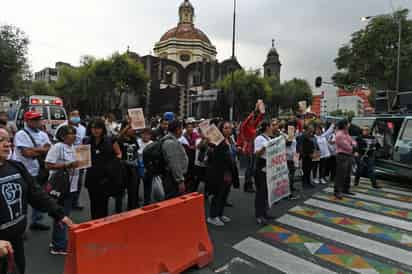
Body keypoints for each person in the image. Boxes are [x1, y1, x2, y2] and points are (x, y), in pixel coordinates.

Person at [0, 128, 73, 274]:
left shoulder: (16, 167)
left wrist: (59, 214)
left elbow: (36, 194)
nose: (7, 144)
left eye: (8, 140)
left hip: (16, 242)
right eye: (1, 141)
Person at [13, 111, 51, 231]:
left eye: (38, 119)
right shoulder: (21, 134)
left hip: (39, 171)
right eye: (34, 119)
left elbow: (49, 149)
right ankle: (20, 228)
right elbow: (27, 153)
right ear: (27, 121)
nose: (37, 121)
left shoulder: (43, 134)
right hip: (23, 172)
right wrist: (41, 149)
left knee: (38, 198)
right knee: (22, 200)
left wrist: (35, 150)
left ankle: (36, 222)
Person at [45, 125, 80, 255]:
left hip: (71, 187)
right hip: (61, 187)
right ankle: (58, 246)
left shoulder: (73, 148)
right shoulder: (58, 147)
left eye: (74, 133)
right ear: (63, 135)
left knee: (64, 214)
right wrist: (67, 165)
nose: (73, 136)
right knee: (61, 215)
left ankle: (57, 240)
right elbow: (48, 165)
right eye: (70, 133)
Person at [84, 119, 122, 219]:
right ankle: (94, 224)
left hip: (106, 177)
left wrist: (112, 165)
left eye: (98, 128)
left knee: (103, 204)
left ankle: (102, 225)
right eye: (93, 128)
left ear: (102, 129)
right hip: (91, 177)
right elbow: (82, 158)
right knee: (93, 203)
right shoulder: (86, 141)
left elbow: (119, 154)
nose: (95, 130)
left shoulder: (110, 140)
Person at [207, 121, 239, 226]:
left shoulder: (231, 139)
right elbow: (214, 153)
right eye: (225, 128)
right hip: (220, 171)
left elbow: (232, 153)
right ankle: (212, 216)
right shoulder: (217, 141)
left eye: (230, 128)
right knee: (218, 194)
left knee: (225, 194)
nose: (228, 130)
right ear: (221, 129)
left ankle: (220, 214)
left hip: (229, 171)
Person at [55, 110, 87, 211]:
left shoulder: (82, 128)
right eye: (73, 115)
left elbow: (85, 142)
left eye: (77, 115)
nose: (75, 117)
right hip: (66, 156)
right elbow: (57, 141)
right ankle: (62, 202)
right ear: (69, 116)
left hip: (80, 154)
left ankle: (74, 201)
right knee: (66, 181)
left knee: (78, 181)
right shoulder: (62, 127)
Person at [236, 103, 264, 193]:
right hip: (247, 149)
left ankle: (250, 184)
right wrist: (254, 111)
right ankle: (248, 185)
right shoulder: (244, 126)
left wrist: (261, 112)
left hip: (252, 148)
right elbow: (248, 120)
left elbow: (259, 118)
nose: (253, 120)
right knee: (249, 167)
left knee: (252, 167)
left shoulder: (252, 126)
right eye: (251, 119)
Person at [254, 121, 277, 225]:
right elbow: (257, 153)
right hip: (261, 167)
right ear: (267, 127)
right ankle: (259, 215)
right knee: (261, 192)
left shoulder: (269, 138)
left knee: (267, 192)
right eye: (272, 126)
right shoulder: (259, 139)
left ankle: (264, 212)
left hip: (269, 167)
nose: (273, 128)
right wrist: (265, 147)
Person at [161, 120, 188, 199]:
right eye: (181, 129)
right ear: (177, 129)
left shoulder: (172, 140)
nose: (182, 131)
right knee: (172, 201)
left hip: (173, 177)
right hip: (172, 178)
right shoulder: (170, 143)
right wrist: (180, 181)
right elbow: (174, 163)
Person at [116, 121, 140, 211]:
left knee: (132, 190)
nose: (132, 129)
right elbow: (116, 138)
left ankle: (131, 209)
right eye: (130, 128)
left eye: (132, 128)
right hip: (122, 169)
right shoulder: (120, 140)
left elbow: (136, 151)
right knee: (120, 191)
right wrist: (127, 126)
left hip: (133, 168)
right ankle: (118, 211)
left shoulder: (134, 139)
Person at [334, 119, 357, 199]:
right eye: (348, 124)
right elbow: (346, 146)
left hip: (348, 155)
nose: (349, 125)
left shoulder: (346, 133)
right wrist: (352, 147)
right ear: (344, 125)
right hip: (342, 155)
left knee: (348, 173)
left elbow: (353, 141)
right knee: (341, 174)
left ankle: (346, 189)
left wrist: (353, 144)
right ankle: (337, 191)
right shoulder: (339, 134)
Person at [179, 121, 199, 192]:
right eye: (188, 127)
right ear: (185, 128)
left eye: (191, 127)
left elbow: (198, 144)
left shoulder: (196, 135)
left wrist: (194, 147)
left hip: (194, 157)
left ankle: (192, 189)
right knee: (186, 174)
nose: (190, 128)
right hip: (186, 157)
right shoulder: (182, 136)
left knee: (193, 174)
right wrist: (190, 147)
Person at [137, 128, 153, 206]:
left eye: (148, 134)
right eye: (144, 134)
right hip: (138, 168)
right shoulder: (137, 142)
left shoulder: (152, 143)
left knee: (148, 186)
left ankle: (147, 202)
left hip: (148, 169)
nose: (145, 136)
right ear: (141, 134)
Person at [298, 124, 316, 188]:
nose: (312, 128)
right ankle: (305, 183)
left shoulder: (310, 135)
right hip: (305, 156)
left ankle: (308, 182)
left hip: (310, 156)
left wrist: (313, 152)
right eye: (311, 127)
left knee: (309, 170)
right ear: (307, 129)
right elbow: (300, 147)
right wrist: (303, 155)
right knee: (305, 170)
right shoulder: (302, 136)